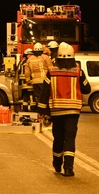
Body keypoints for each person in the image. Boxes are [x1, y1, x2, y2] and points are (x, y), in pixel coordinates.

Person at [37, 42, 91, 177]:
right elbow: (87, 89)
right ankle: (68, 168)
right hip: (73, 112)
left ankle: (57, 164)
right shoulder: (78, 71)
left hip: (57, 110)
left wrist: (41, 112)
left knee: (58, 138)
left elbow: (44, 93)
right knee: (70, 138)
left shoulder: (51, 72)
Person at [25, 42, 51, 107]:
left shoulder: (29, 59)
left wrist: (28, 81)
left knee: (38, 97)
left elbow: (27, 72)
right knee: (45, 96)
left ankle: (39, 111)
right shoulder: (45, 58)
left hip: (35, 82)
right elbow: (51, 69)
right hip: (45, 81)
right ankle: (45, 111)